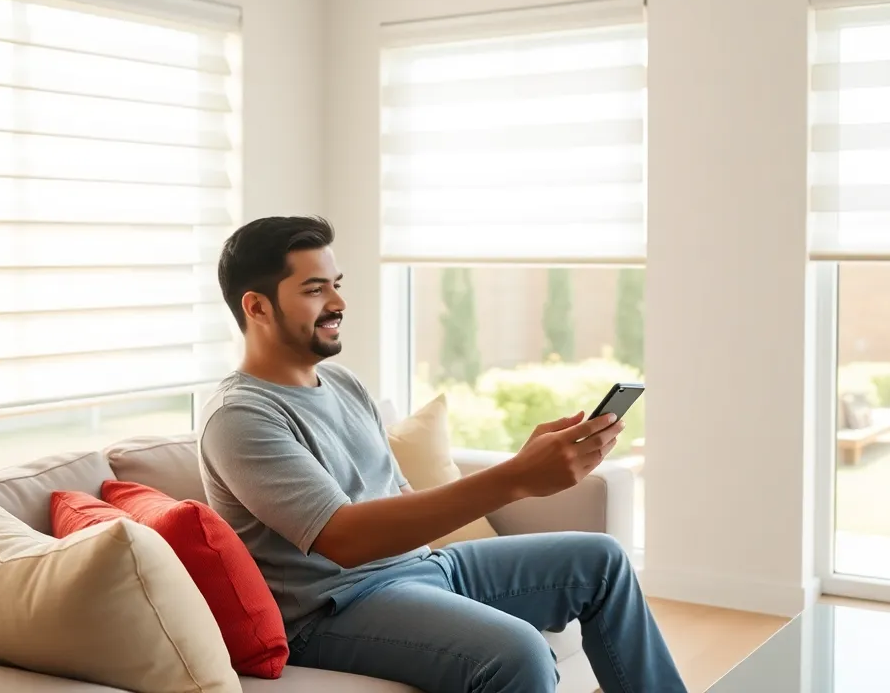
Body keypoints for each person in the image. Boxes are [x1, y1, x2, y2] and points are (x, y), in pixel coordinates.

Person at [198, 216, 687, 693]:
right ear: (257, 307)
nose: (339, 302)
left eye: (337, 285)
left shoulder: (344, 383)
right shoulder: (240, 417)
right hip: (335, 608)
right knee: (517, 652)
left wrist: (523, 466)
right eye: (314, 290)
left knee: (601, 561)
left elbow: (402, 496)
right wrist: (516, 477)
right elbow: (343, 539)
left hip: (427, 568)